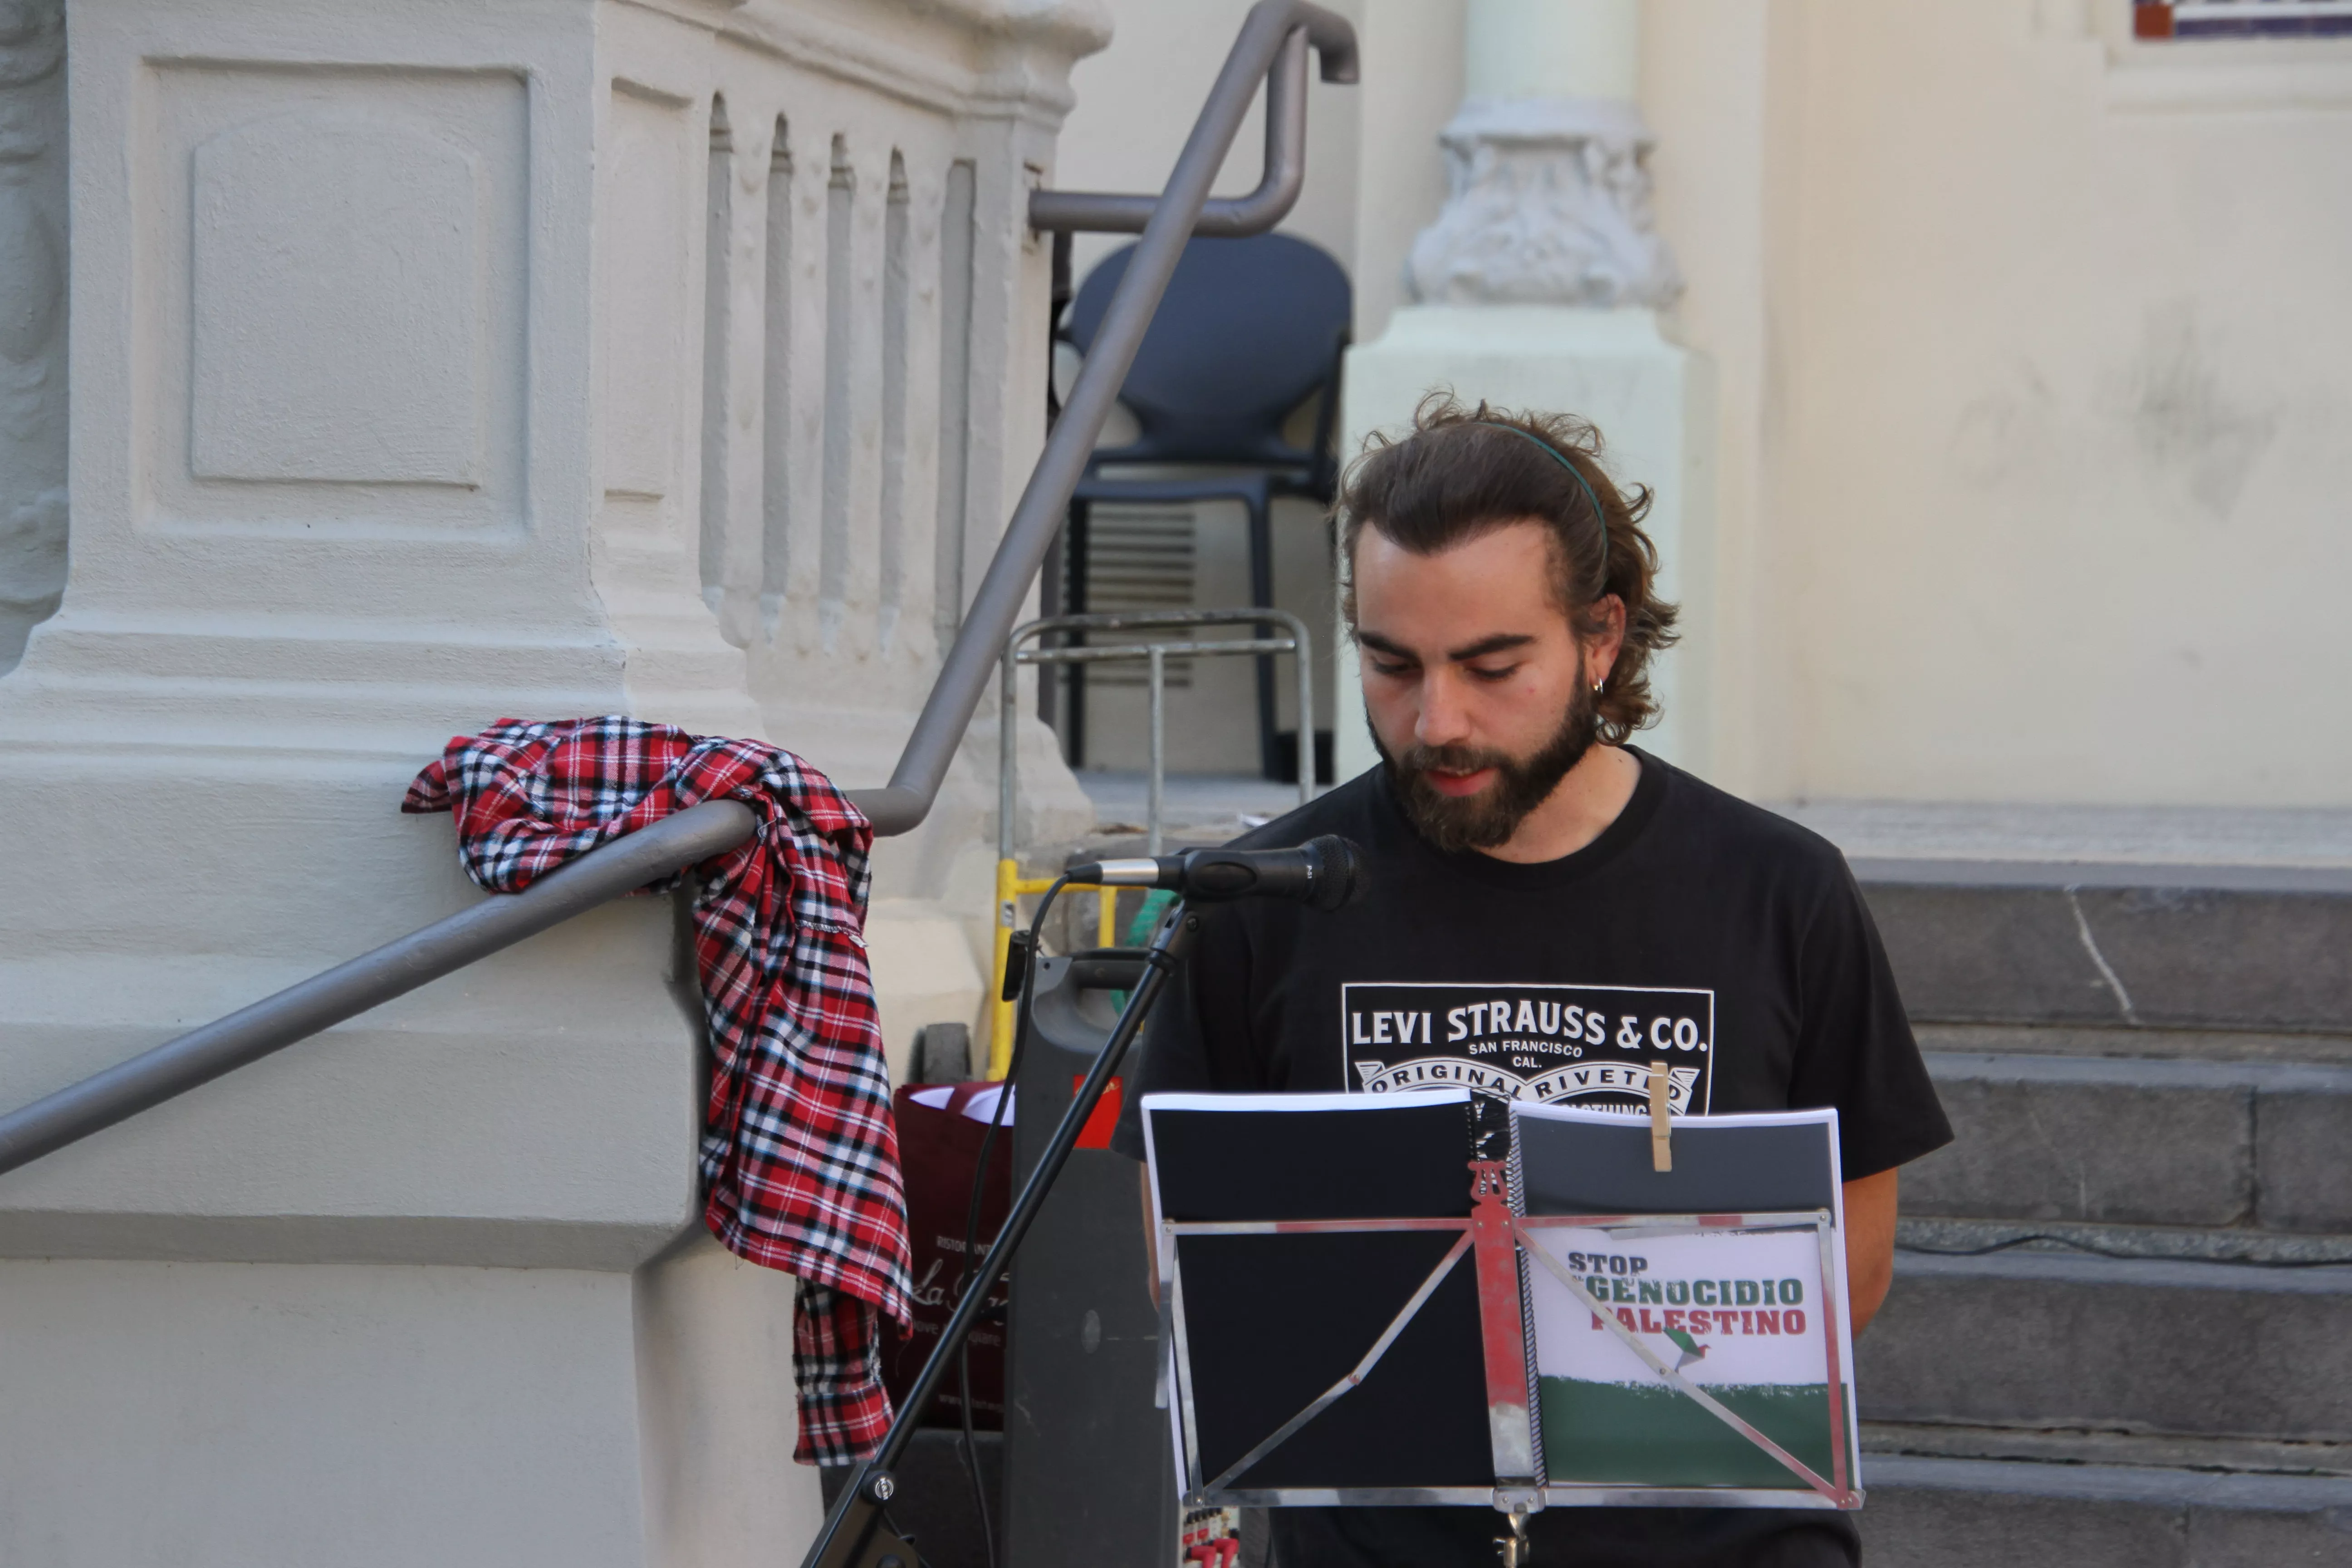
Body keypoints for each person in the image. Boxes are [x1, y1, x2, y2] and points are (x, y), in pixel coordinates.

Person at [1108, 396, 1952, 1568]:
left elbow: (1851, 1268)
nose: (1436, 721)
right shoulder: (1266, 902)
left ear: (1600, 641)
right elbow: (1190, 1268)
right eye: (1390, 664)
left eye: (1492, 666)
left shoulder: (1781, 891)